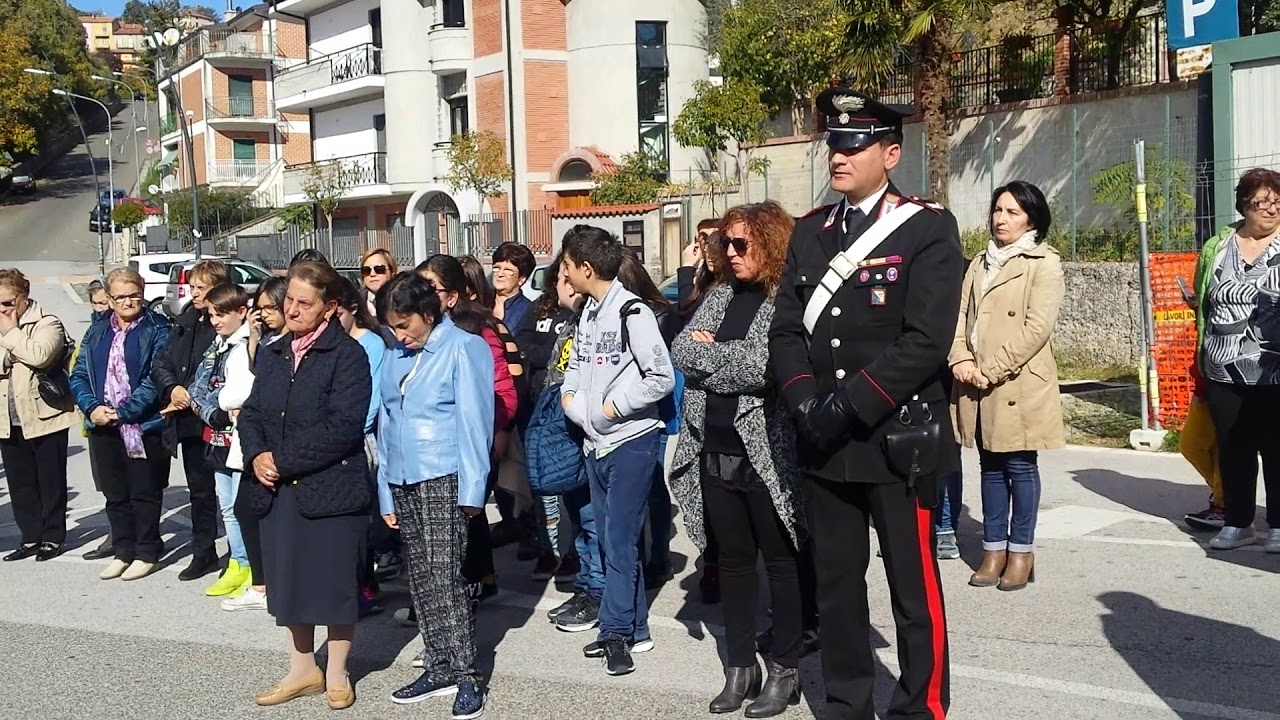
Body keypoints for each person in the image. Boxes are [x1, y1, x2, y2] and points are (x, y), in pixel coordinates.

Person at [768, 88, 961, 720]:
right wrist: (803, 402)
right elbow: (788, 332)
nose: (840, 155)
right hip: (826, 443)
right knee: (838, 586)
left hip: (896, 439)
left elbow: (926, 341)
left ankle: (920, 707)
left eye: (854, 144)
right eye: (834, 144)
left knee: (913, 587)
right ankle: (847, 703)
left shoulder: (927, 228)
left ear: (891, 152)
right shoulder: (809, 233)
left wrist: (845, 405)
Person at [669, 203, 806, 717]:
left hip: (765, 454)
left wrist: (712, 357)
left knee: (780, 563)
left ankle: (785, 670)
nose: (728, 252)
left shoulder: (782, 297)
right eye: (724, 243)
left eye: (740, 244)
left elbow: (761, 368)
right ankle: (740, 667)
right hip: (715, 450)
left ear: (769, 244)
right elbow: (682, 351)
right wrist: (716, 356)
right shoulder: (721, 294)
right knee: (731, 564)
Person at [237, 261, 372, 710]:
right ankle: (301, 669)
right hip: (278, 489)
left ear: (330, 308)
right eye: (289, 300)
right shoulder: (275, 352)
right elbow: (253, 412)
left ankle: (336, 671)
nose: (291, 310)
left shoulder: (348, 356)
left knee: (333, 583)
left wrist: (282, 458)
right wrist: (257, 455)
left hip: (329, 488)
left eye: (303, 303)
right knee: (289, 580)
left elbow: (344, 426)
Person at [375, 271, 493, 717]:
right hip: (404, 477)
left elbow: (475, 422)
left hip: (444, 475)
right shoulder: (395, 355)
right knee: (421, 578)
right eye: (393, 326)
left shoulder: (465, 348)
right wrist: (386, 492)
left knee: (447, 576)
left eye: (406, 325)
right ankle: (438, 662)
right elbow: (386, 423)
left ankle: (466, 673)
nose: (400, 335)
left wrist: (473, 491)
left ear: (430, 313)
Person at [560, 225, 675, 676]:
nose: (564, 274)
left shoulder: (633, 312)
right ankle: (637, 629)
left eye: (568, 265)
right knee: (613, 540)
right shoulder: (588, 312)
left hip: (630, 443)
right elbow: (577, 367)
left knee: (619, 542)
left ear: (587, 268)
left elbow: (660, 377)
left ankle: (615, 631)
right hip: (596, 443)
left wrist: (610, 408)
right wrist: (575, 403)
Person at [950, 181, 1065, 591]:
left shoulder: (1044, 262)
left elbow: (1037, 328)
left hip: (1016, 381)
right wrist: (960, 357)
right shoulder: (981, 261)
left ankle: (1021, 551)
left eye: (1013, 212)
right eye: (998, 210)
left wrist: (991, 369)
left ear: (1031, 218)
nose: (1001, 219)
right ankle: (993, 548)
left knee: (1018, 465)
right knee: (989, 466)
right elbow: (960, 314)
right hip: (975, 380)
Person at [1194, 167, 1280, 552]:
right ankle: (1237, 521)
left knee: (1277, 447)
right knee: (1233, 446)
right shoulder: (1219, 246)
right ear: (1244, 205)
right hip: (1222, 367)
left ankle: (1279, 525)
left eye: (1277, 202)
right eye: (1262, 202)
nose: (1271, 209)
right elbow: (1204, 300)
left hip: (1273, 369)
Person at [69, 268, 173, 581]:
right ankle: (123, 550)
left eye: (133, 294)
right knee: (115, 494)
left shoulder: (158, 328)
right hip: (103, 424)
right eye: (120, 297)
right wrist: (93, 408)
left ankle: (147, 551)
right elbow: (79, 374)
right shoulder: (98, 329)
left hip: (142, 425)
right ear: (109, 300)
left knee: (144, 491)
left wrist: (122, 412)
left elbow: (155, 377)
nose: (128, 301)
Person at [152, 259, 231, 581]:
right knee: (199, 490)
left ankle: (242, 556)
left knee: (226, 492)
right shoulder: (185, 320)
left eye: (201, 287)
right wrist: (173, 388)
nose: (194, 293)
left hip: (213, 419)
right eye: (192, 287)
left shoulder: (221, 326)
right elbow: (162, 361)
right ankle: (204, 552)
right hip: (186, 421)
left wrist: (197, 396)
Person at [220, 277, 289, 613]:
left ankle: (269, 583)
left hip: (279, 441)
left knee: (255, 510)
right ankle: (261, 583)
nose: (264, 316)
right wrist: (255, 337)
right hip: (255, 439)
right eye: (259, 309)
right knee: (245, 509)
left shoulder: (290, 344)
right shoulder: (264, 341)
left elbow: (250, 392)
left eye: (269, 308)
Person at [0, 269, 80, 562]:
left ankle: (53, 536)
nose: (3, 310)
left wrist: (10, 335)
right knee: (20, 482)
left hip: (44, 414)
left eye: (8, 303)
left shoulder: (47, 322)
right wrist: (11, 354)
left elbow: (40, 355)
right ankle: (30, 537)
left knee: (50, 480)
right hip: (8, 418)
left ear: (23, 298)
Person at [614, 249, 679, 590]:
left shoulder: (656, 313)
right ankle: (637, 553)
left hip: (652, 409)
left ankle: (660, 557)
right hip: (623, 411)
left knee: (653, 483)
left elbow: (658, 370)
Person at [185, 282, 255, 598]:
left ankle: (248, 563)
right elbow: (197, 390)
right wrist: (214, 411)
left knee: (242, 507)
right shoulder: (218, 345)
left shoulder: (244, 347)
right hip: (216, 436)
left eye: (222, 314)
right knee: (226, 506)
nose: (215, 320)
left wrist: (216, 404)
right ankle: (237, 562)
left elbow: (237, 394)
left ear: (242, 312)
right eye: (212, 314)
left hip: (239, 440)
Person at [337, 279, 391, 617]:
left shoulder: (370, 344)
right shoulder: (334, 344)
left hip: (361, 438)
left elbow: (371, 400)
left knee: (363, 520)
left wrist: (351, 431)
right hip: (338, 439)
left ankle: (366, 583)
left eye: (337, 313)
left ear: (353, 308)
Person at [81, 280, 116, 561]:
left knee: (130, 484)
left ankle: (126, 537)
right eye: (96, 304)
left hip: (123, 417)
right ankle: (116, 532)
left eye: (105, 303)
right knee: (106, 483)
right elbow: (79, 372)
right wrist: (91, 407)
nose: (101, 309)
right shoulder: (92, 332)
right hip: (96, 417)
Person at [491, 241, 535, 332]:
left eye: (508, 270)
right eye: (497, 267)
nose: (500, 274)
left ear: (521, 279)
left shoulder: (528, 311)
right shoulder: (481, 302)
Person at [358, 247, 398, 320]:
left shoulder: (403, 300)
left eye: (379, 269)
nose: (372, 274)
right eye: (366, 270)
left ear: (392, 273)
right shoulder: (356, 303)